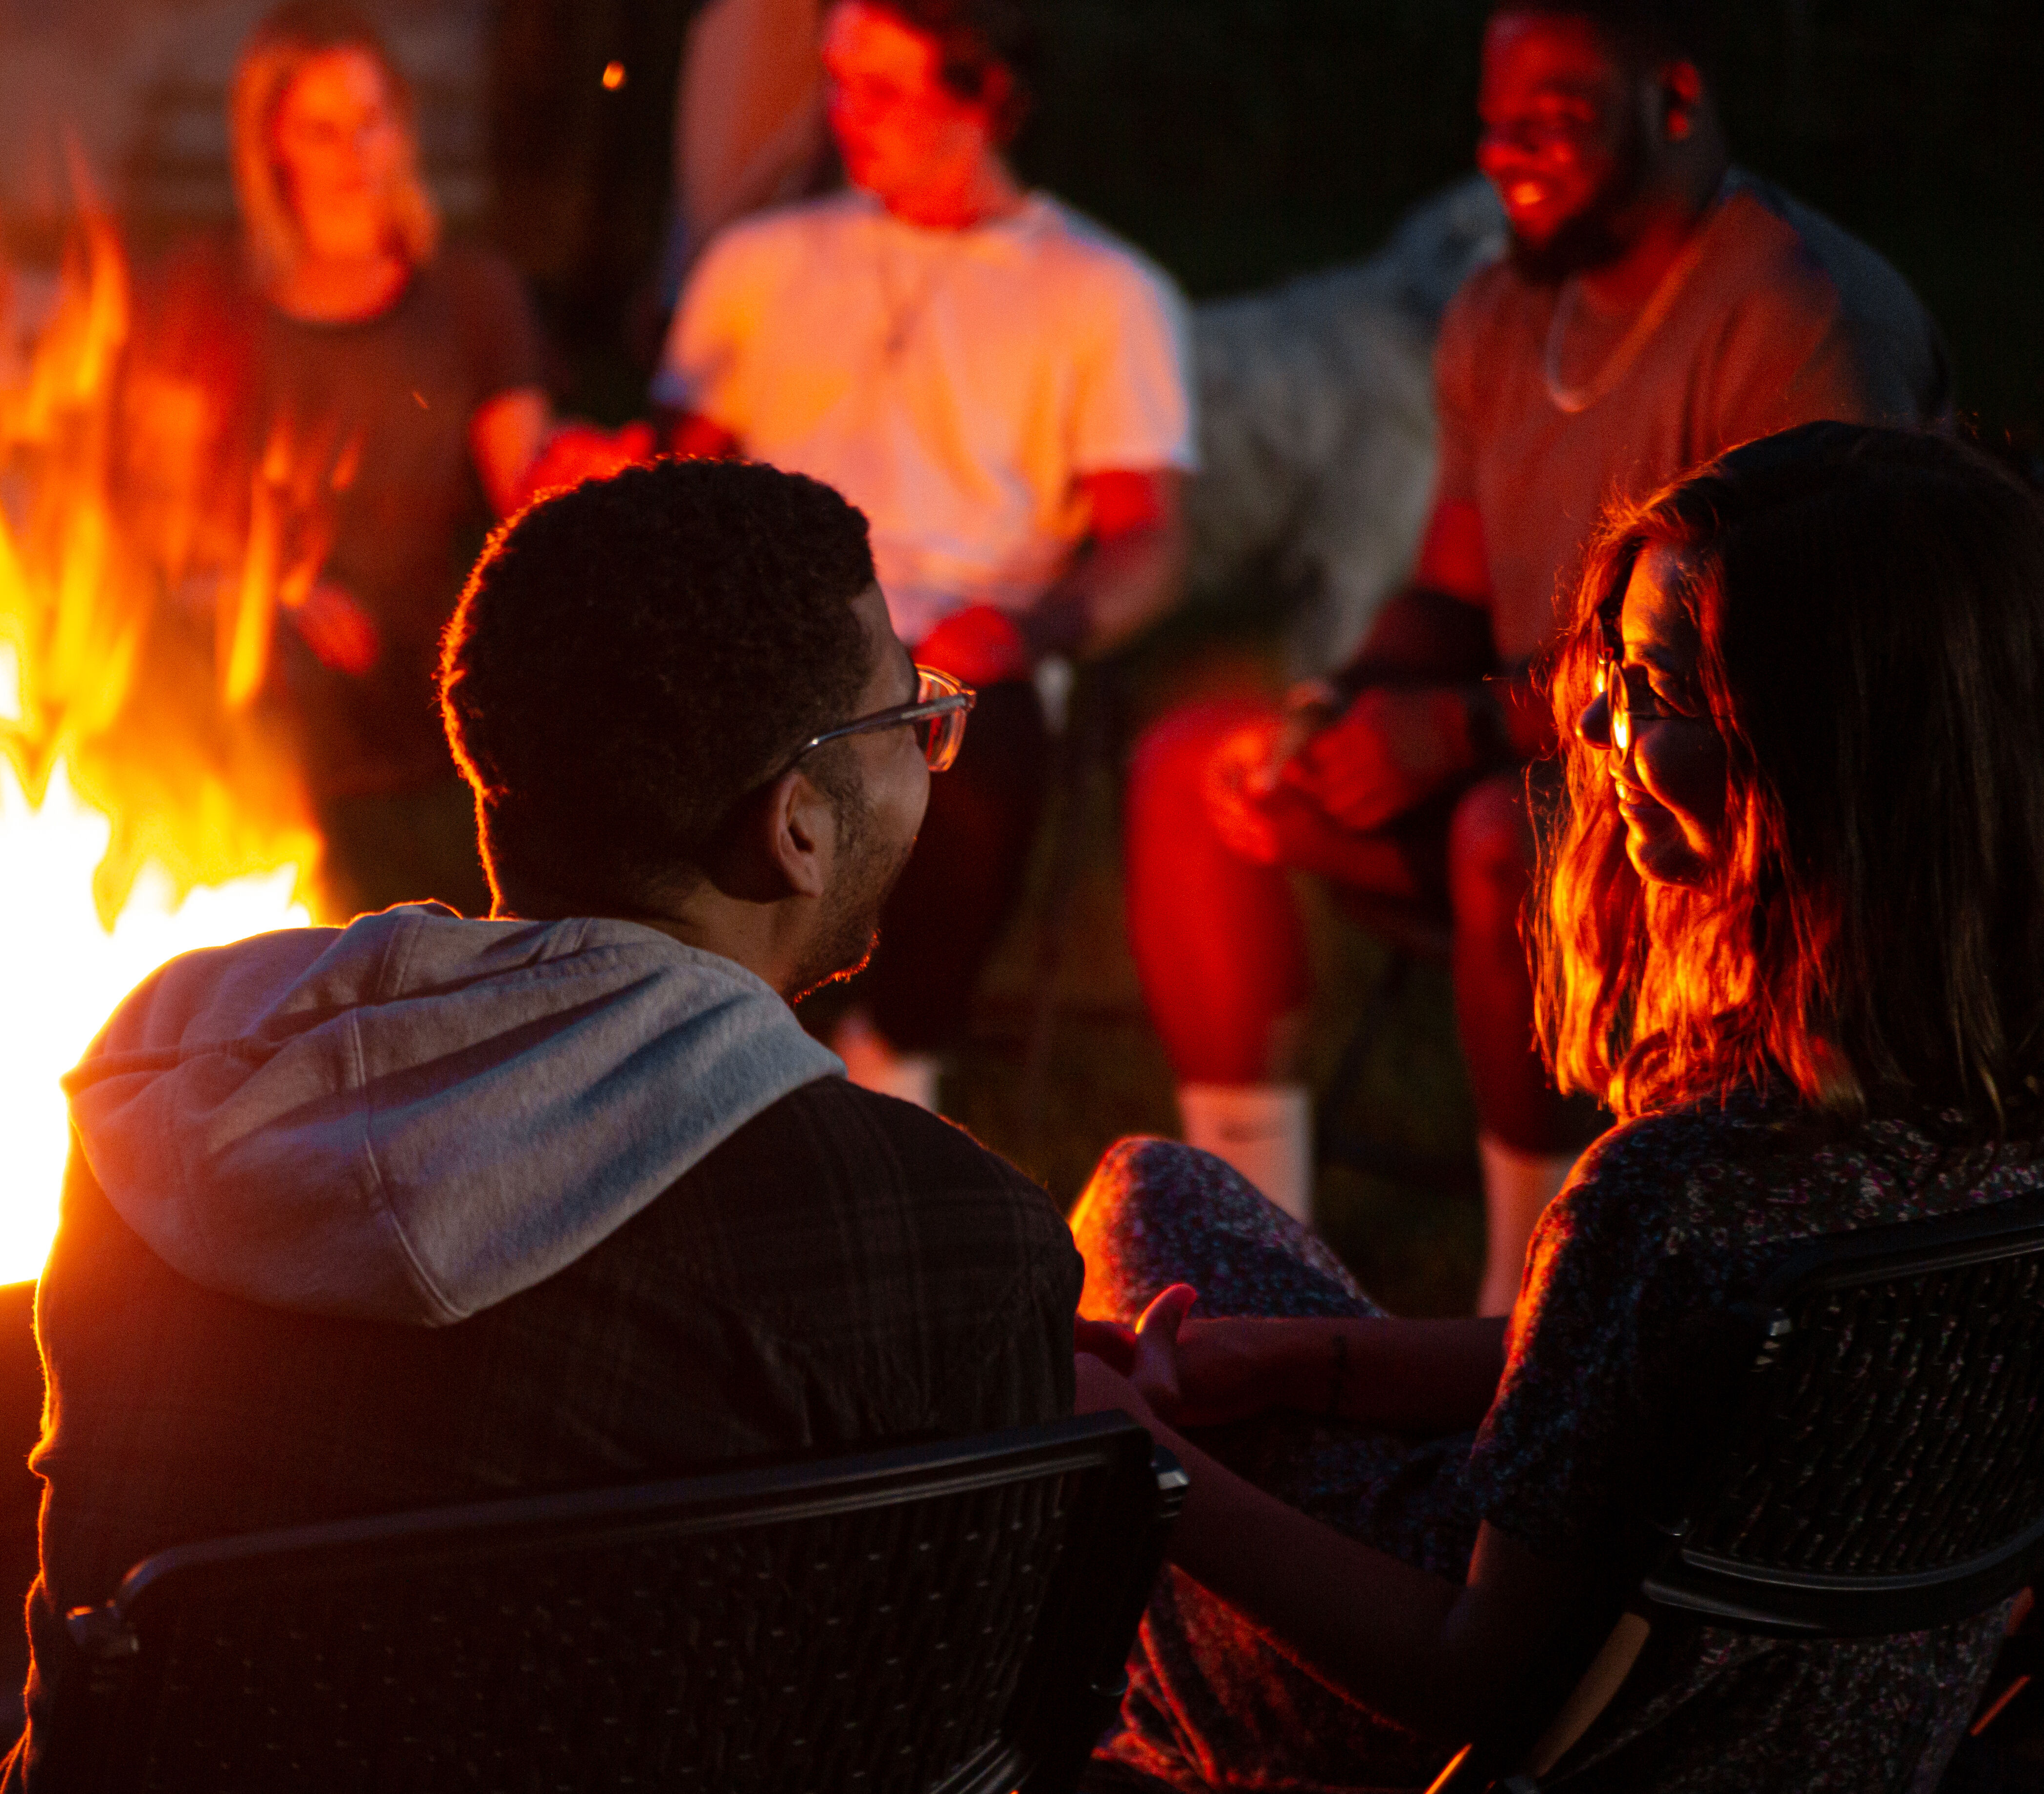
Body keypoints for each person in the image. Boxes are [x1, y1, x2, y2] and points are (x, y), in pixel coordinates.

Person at [0, 459, 1085, 1785]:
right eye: (908, 719)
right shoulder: (931, 1231)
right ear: (795, 827)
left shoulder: (173, 1076)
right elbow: (970, 1732)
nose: (930, 741)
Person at [1072, 423, 2044, 1793]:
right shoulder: (1977, 1136)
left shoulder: (1679, 1189)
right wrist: (1296, 1359)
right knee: (1169, 1230)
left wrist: (1129, 1457)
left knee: (1132, 1214)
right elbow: (1653, 1369)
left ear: (1829, 750)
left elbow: (1466, 1673)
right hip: (1822, 1737)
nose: (1594, 727)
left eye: (1657, 690)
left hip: (1506, 1733)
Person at [1124, 0, 1948, 1311]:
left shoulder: (1796, 311)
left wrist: (1451, 732)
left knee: (1505, 838)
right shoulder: (1504, 307)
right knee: (1194, 769)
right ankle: (1253, 1248)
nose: (1507, 157)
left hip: (1723, 791)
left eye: (1552, 124)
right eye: (1492, 126)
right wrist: (1334, 703)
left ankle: (1528, 1290)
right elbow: (1451, 579)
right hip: (1522, 744)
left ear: (1674, 102)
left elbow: (1792, 661)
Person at [646, 0, 1197, 1109]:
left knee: (962, 760)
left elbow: (1149, 542)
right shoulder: (760, 262)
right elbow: (672, 480)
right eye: (839, 82)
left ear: (984, 93)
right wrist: (610, 476)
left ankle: (894, 1064)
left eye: (886, 90)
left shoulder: (1098, 292)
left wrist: (1032, 629)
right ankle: (676, 1047)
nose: (850, 115)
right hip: (772, 626)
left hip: (953, 648)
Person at [129, 0, 560, 922]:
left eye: (372, 122)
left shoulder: (469, 298)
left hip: (415, 641)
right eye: (320, 130)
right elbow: (159, 504)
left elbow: (533, 497)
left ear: (403, 128)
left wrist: (592, 474)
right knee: (239, 661)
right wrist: (267, 583)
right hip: (249, 623)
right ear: (272, 145)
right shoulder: (211, 290)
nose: (353, 153)